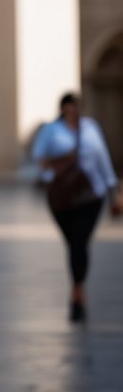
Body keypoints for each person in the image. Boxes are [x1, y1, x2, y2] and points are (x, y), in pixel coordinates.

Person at [32, 92, 122, 321]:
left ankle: (77, 292)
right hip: (62, 197)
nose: (72, 109)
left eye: (75, 105)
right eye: (68, 106)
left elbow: (102, 158)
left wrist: (115, 191)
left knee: (80, 241)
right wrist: (54, 171)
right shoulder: (51, 130)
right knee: (74, 243)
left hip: (92, 194)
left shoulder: (90, 128)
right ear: (63, 108)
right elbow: (39, 156)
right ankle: (78, 286)